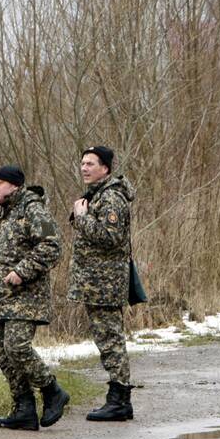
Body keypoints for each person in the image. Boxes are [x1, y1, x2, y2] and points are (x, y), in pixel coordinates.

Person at [0, 165, 69, 431]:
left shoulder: (33, 210)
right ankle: (24, 409)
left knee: (17, 348)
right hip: (0, 299)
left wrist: (22, 272)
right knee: (4, 356)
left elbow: (52, 246)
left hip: (26, 297)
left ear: (15, 185)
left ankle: (52, 390)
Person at [69, 146, 137, 422]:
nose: (84, 168)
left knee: (111, 340)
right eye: (83, 163)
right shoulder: (96, 196)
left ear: (105, 168)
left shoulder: (111, 198)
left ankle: (119, 399)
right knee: (106, 339)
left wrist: (83, 219)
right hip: (95, 282)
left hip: (105, 283)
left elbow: (110, 236)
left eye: (91, 164)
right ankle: (118, 397)